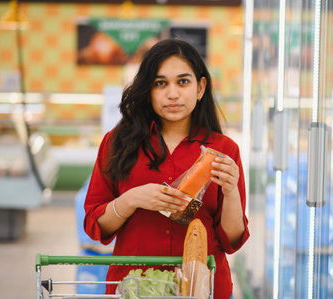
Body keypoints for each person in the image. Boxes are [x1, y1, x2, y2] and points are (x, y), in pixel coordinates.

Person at [84, 38, 250, 299]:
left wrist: (231, 193)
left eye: (183, 82)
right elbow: (96, 225)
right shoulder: (116, 143)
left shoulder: (224, 150)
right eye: (160, 83)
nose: (173, 94)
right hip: (134, 287)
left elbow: (232, 240)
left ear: (200, 87)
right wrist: (131, 200)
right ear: (147, 90)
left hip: (203, 288)